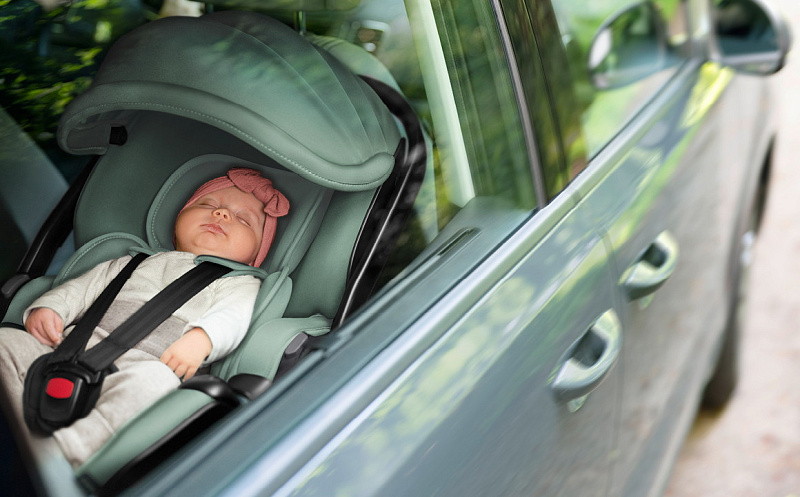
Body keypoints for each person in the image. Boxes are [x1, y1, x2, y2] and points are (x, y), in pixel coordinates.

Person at [0, 167, 289, 467]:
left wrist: (202, 338)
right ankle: (15, 425)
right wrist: (51, 308)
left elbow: (232, 317)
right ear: (179, 218)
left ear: (256, 254)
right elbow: (81, 290)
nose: (221, 214)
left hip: (148, 364)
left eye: (243, 220)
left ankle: (64, 452)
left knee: (155, 384)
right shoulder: (132, 261)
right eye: (208, 205)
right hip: (67, 347)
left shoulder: (238, 283)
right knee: (6, 341)